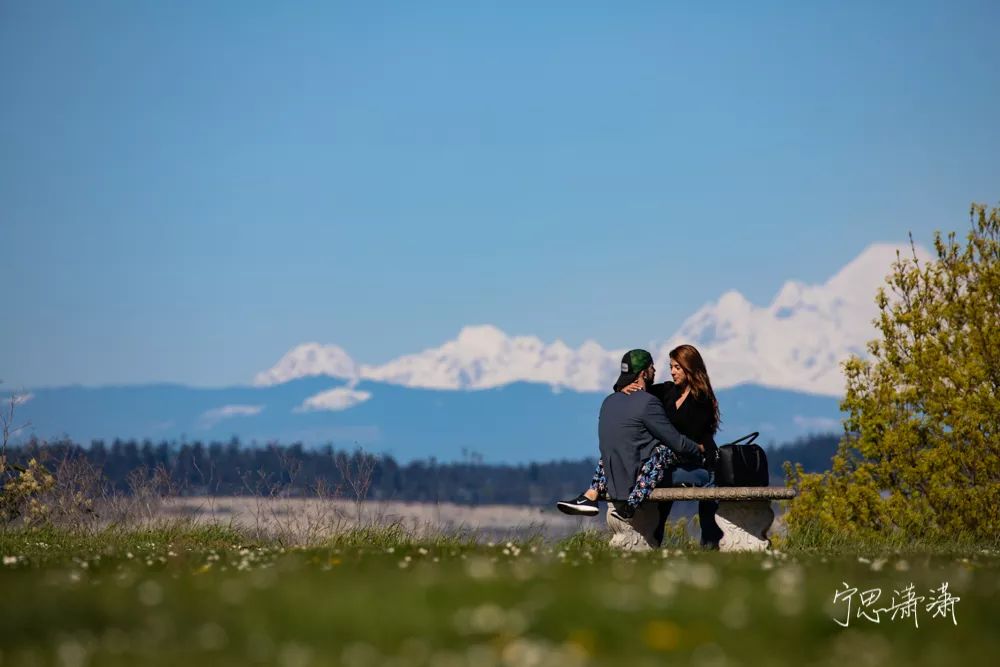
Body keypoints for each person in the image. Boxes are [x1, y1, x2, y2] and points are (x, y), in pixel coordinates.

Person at [557, 345, 724, 547]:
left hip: (693, 457)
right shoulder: (667, 391)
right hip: (664, 460)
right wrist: (624, 387)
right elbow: (639, 387)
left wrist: (691, 447)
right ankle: (590, 495)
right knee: (619, 451)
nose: (672, 372)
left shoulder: (702, 400)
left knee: (666, 461)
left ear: (690, 368)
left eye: (677, 367)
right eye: (671, 366)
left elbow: (690, 437)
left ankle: (709, 544)